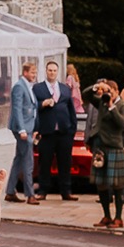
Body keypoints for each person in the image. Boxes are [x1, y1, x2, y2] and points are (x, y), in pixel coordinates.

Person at [85, 78, 124, 232]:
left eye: (110, 91)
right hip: (100, 147)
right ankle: (106, 216)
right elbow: (86, 95)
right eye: (106, 92)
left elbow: (121, 123)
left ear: (116, 91)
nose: (107, 94)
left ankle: (118, 217)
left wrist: (112, 106)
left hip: (114, 147)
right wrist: (96, 86)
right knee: (101, 184)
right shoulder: (101, 102)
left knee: (118, 185)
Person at [33, 57, 77, 201]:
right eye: (50, 70)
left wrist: (72, 129)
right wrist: (42, 104)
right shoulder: (38, 88)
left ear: (58, 72)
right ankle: (43, 190)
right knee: (44, 162)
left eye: (54, 71)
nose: (52, 73)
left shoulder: (64, 88)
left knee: (65, 162)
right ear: (46, 71)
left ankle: (66, 190)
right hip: (47, 132)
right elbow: (32, 107)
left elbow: (71, 109)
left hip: (64, 132)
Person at [6, 61, 38, 204]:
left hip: (28, 127)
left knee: (19, 159)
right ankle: (30, 194)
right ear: (25, 72)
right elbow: (17, 109)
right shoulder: (19, 86)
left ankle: (10, 191)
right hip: (23, 129)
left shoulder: (27, 86)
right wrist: (22, 129)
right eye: (32, 72)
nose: (34, 75)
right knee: (28, 161)